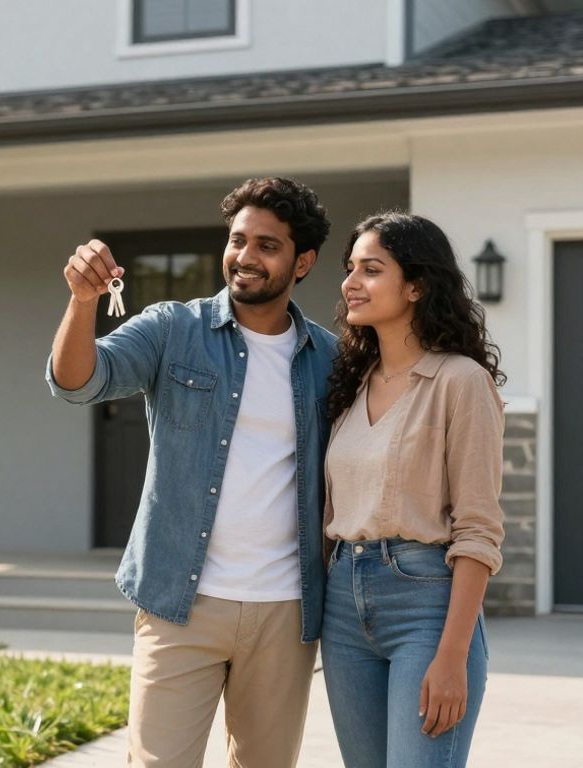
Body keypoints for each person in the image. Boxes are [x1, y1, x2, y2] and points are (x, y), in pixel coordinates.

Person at [46, 177, 336, 766]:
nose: (245, 257)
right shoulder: (173, 328)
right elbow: (78, 380)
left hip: (286, 609)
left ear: (302, 261)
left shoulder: (330, 359)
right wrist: (82, 301)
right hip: (181, 601)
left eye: (267, 245)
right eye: (238, 240)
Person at [320, 212, 505, 768]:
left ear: (418, 285)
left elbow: (478, 529)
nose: (351, 282)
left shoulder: (460, 381)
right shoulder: (351, 385)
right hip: (343, 608)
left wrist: (452, 656)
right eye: (350, 269)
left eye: (371, 270)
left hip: (427, 604)